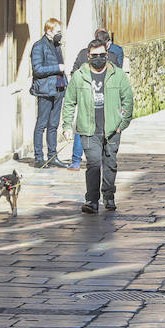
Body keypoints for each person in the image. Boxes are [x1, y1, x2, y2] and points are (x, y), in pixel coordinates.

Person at [61, 39, 134, 213]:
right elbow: (69, 102)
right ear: (88, 56)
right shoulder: (79, 76)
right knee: (93, 164)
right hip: (88, 129)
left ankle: (108, 197)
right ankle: (92, 200)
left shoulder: (118, 74)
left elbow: (128, 100)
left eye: (102, 55)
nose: (99, 58)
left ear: (107, 55)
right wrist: (67, 125)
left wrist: (122, 124)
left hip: (112, 129)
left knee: (110, 164)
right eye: (95, 55)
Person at [68, 29, 125, 170]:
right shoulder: (111, 56)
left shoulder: (83, 53)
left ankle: (77, 160)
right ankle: (97, 160)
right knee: (100, 129)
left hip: (88, 99)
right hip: (102, 100)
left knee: (83, 127)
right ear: (107, 43)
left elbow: (74, 71)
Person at [29, 19, 67, 168]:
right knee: (42, 124)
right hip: (45, 90)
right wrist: (57, 67)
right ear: (48, 31)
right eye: (57, 31)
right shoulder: (39, 46)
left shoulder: (57, 46)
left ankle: (53, 156)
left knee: (54, 125)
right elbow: (37, 69)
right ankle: (39, 157)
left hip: (58, 88)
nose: (60, 34)